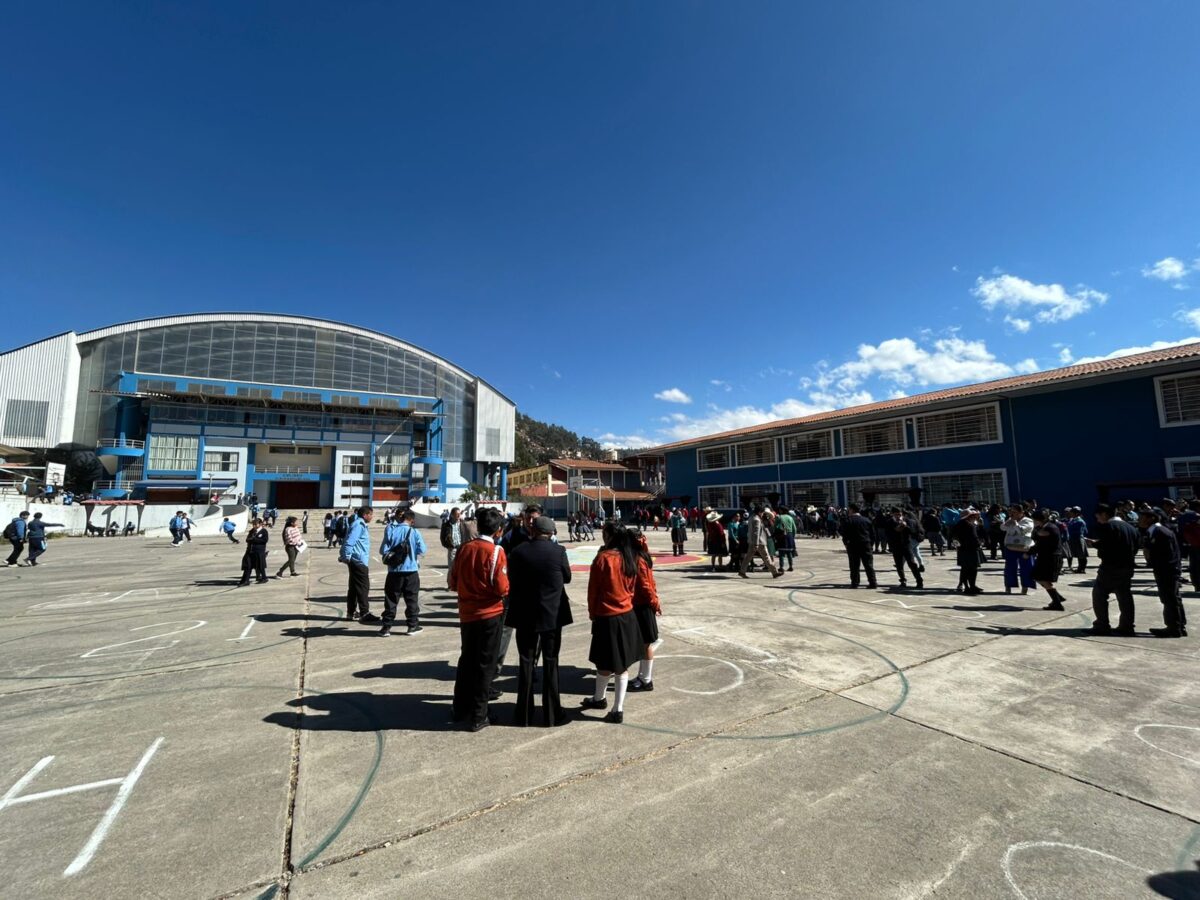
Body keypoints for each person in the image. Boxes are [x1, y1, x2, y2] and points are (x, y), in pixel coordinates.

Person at [505, 515, 572, 726]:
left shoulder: (518, 552)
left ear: (532, 531)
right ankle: (552, 714)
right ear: (551, 533)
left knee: (526, 662)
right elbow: (567, 577)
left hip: (524, 613)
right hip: (552, 614)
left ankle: (523, 714)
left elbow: (511, 578)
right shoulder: (559, 552)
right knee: (551, 662)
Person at [448, 507, 510, 732]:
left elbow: (452, 581)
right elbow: (502, 587)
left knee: (466, 660)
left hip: (467, 613)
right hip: (489, 614)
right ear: (498, 530)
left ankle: (459, 707)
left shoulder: (464, 548)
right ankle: (479, 714)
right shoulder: (495, 552)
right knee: (485, 664)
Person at [581, 524, 643, 724]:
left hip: (606, 615)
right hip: (626, 614)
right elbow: (633, 587)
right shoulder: (630, 557)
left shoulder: (603, 559)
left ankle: (604, 702)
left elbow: (593, 590)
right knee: (621, 664)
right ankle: (615, 706)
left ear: (608, 536)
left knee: (604, 661)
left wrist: (592, 612)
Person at [1087, 503, 1139, 636]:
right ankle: (1127, 625)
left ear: (1104, 514)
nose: (1097, 520)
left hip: (1111, 567)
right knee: (1124, 596)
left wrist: (1096, 546)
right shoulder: (1130, 527)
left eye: (1098, 517)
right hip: (1127, 566)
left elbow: (1106, 547)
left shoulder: (1108, 527)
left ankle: (1102, 624)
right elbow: (1134, 546)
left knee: (1099, 594)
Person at [379, 509, 427, 636]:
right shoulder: (414, 532)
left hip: (394, 571)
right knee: (411, 599)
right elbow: (422, 550)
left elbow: (383, 550)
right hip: (411, 570)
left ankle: (386, 627)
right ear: (411, 520)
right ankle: (412, 626)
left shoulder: (392, 530)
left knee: (391, 599)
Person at [1140, 507, 1187, 638]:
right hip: (1168, 570)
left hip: (1167, 571)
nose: (1139, 520)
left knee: (1169, 598)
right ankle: (1178, 625)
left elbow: (1166, 555)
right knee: (1173, 598)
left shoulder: (1160, 532)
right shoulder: (1159, 531)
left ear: (1151, 518)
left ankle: (1173, 627)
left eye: (1142, 518)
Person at [628, 531, 662, 692]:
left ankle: (646, 680)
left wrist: (654, 602)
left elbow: (646, 585)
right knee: (643, 644)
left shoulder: (638, 559)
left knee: (646, 643)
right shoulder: (642, 556)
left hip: (643, 605)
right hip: (641, 604)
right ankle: (642, 676)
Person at [339, 506, 379, 623]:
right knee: (363, 587)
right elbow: (349, 541)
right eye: (371, 514)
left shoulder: (359, 524)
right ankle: (364, 612)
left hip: (356, 559)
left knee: (354, 588)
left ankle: (350, 612)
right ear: (365, 515)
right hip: (358, 560)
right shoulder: (359, 525)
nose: (372, 517)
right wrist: (345, 556)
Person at [1030, 508, 1067, 610]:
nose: (1033, 522)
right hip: (1046, 557)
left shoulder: (1050, 528)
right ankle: (1058, 598)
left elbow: (1039, 537)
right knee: (1037, 576)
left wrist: (1028, 552)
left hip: (1051, 558)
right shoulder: (1046, 527)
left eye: (1034, 520)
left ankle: (1057, 603)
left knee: (1043, 579)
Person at [839, 503, 877, 588]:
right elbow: (873, 535)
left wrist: (845, 543)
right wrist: (871, 545)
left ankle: (855, 582)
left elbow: (844, 533)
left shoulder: (848, 520)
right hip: (866, 544)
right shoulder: (866, 520)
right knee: (868, 565)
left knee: (854, 565)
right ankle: (873, 582)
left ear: (852, 509)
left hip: (853, 545)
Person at [884, 507, 924, 589]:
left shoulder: (909, 521)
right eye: (896, 515)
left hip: (907, 545)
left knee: (912, 563)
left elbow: (914, 533)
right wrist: (898, 528)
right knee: (899, 565)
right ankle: (903, 580)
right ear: (892, 514)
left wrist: (906, 526)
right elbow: (889, 534)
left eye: (900, 514)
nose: (898, 516)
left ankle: (919, 580)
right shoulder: (889, 522)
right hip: (896, 546)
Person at [739, 508, 783, 579]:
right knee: (766, 557)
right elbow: (756, 532)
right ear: (759, 512)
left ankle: (742, 571)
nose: (763, 514)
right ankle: (774, 572)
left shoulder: (751, 518)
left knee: (748, 557)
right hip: (759, 542)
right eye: (762, 513)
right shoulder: (757, 520)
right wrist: (756, 543)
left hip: (752, 541)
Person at [1001, 505, 1035, 595]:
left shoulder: (1028, 521)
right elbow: (1003, 528)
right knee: (1009, 568)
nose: (1012, 514)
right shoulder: (1010, 519)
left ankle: (1025, 587)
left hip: (1023, 547)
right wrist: (1008, 522)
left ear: (1021, 513)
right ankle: (1008, 586)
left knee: (1026, 568)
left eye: (1014, 512)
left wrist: (1015, 523)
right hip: (1010, 547)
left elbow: (1022, 531)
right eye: (1011, 512)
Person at [951, 508, 983, 594]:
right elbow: (974, 538)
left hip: (962, 550)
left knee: (965, 569)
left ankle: (966, 586)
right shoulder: (970, 525)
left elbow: (954, 538)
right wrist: (979, 544)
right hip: (971, 549)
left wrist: (958, 547)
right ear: (969, 517)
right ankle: (972, 586)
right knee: (973, 569)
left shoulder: (957, 525)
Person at [440, 507, 475, 572]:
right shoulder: (446, 525)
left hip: (462, 548)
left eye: (459, 514)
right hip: (452, 549)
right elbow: (442, 537)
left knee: (462, 568)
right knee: (452, 569)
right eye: (457, 514)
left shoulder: (463, 523)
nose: (459, 515)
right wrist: (447, 546)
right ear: (452, 515)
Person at [239, 518, 270, 585]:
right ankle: (246, 580)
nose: (254, 526)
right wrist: (251, 539)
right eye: (253, 524)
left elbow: (264, 540)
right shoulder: (252, 531)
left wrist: (254, 539)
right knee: (248, 566)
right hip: (250, 551)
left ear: (260, 524)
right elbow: (247, 539)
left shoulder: (263, 531)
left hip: (259, 551)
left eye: (256, 524)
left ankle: (264, 578)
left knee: (260, 565)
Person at [1066, 507, 1089, 573]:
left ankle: (1082, 569)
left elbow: (1083, 531)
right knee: (1079, 555)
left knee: (1081, 555)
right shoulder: (1073, 520)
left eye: (1072, 512)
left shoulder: (1079, 521)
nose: (1071, 514)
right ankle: (1080, 568)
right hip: (1074, 539)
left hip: (1078, 539)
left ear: (1077, 513)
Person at [775, 506, 797, 572]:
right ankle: (791, 566)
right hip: (789, 535)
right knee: (789, 552)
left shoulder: (779, 517)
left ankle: (781, 567)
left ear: (782, 510)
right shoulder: (790, 518)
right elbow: (794, 529)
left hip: (781, 535)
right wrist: (792, 536)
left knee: (781, 553)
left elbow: (776, 527)